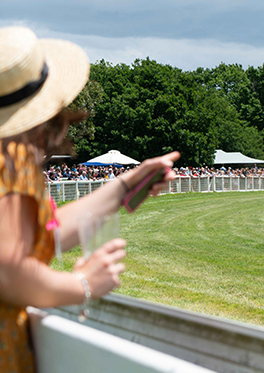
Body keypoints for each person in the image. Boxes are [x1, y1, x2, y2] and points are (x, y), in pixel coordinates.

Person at [0, 26, 180, 372]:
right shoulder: (11, 156)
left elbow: (36, 238)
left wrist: (122, 188)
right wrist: (82, 284)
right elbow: (9, 270)